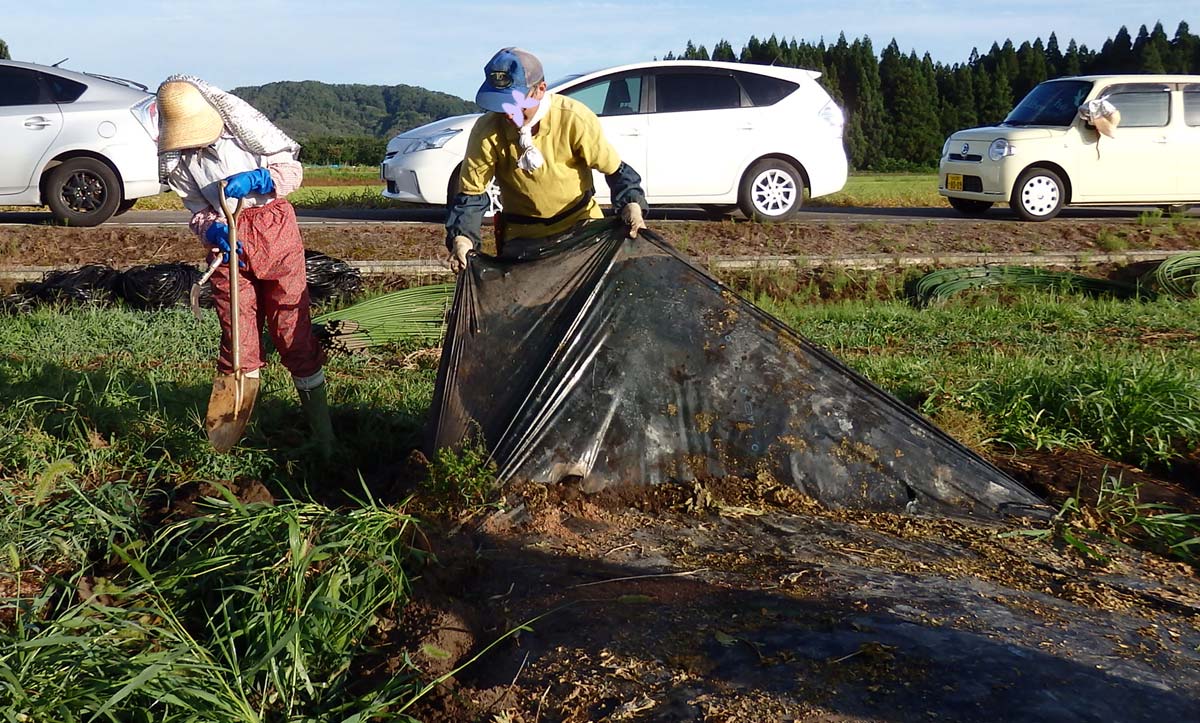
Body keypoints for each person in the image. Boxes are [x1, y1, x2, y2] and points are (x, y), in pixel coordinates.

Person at [156, 75, 333, 456]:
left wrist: (262, 177)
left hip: (273, 229)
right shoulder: (182, 162)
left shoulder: (245, 137)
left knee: (290, 328)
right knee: (236, 334)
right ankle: (235, 431)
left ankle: (323, 433)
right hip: (228, 245)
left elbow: (293, 174)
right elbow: (197, 211)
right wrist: (212, 230)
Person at [446, 47, 648, 271]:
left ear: (540, 90)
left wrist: (631, 205)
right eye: (500, 104)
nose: (508, 112)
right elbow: (471, 195)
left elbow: (616, 171)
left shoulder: (573, 118)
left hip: (581, 227)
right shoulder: (487, 131)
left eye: (515, 102)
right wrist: (462, 238)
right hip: (523, 236)